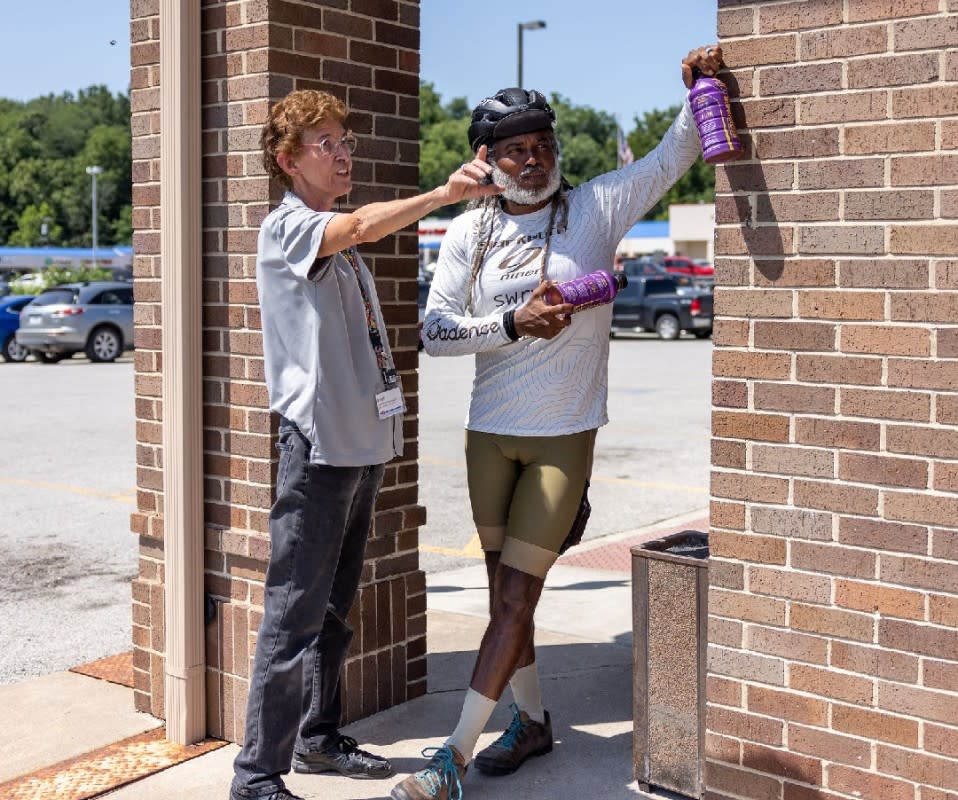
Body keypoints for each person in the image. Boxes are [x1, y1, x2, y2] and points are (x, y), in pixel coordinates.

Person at [391, 45, 725, 800]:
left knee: (514, 598)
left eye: (543, 145)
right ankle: (533, 721)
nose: (535, 159)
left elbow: (680, 151)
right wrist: (512, 323)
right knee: (508, 597)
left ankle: (450, 759)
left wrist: (697, 85)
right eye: (518, 149)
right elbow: (435, 333)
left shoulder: (597, 207)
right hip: (489, 435)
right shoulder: (469, 234)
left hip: (561, 436)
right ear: (488, 160)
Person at [230, 89, 500, 800]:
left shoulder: (337, 244)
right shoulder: (288, 230)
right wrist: (444, 193)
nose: (344, 153)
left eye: (346, 141)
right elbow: (362, 226)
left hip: (360, 450)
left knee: (334, 612)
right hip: (316, 453)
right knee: (292, 616)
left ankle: (317, 740)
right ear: (288, 161)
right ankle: (255, 777)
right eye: (326, 144)